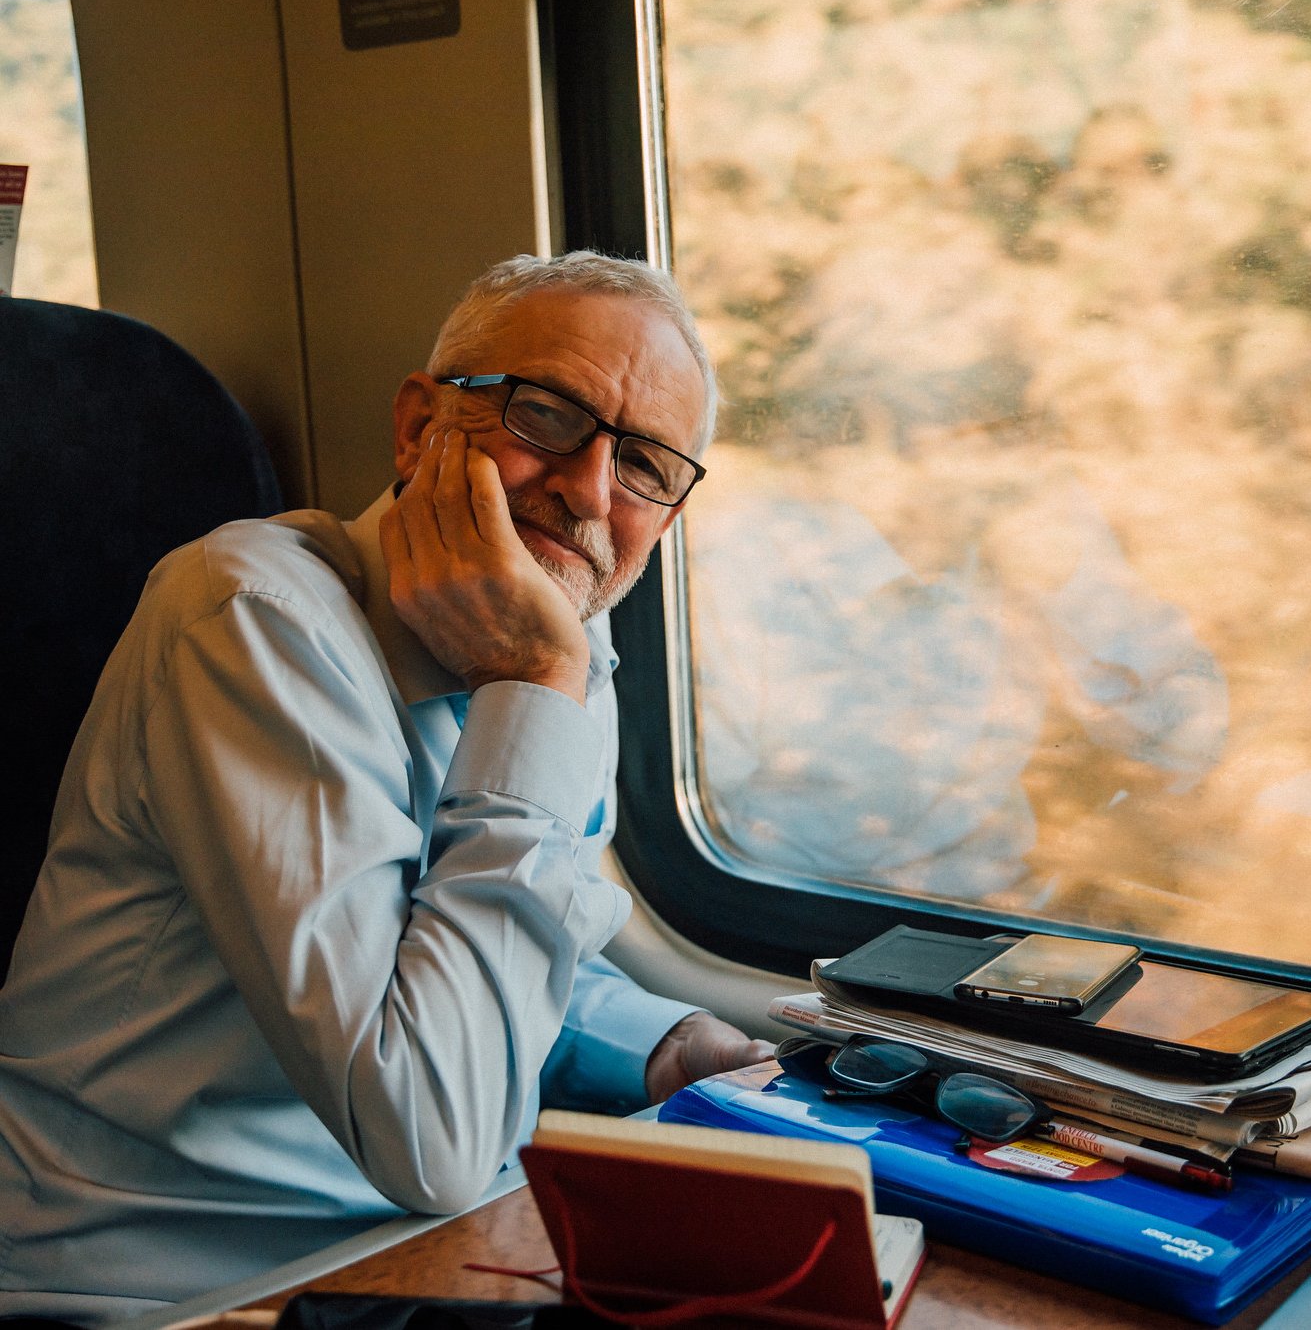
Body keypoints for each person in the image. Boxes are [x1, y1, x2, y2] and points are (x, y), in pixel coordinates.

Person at [0, 252, 767, 1324]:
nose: (591, 489)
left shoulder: (565, 653)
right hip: (177, 1291)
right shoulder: (253, 618)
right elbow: (434, 1130)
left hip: (431, 1262)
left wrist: (673, 1046)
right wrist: (531, 691)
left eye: (644, 464)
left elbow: (479, 957)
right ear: (420, 427)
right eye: (546, 414)